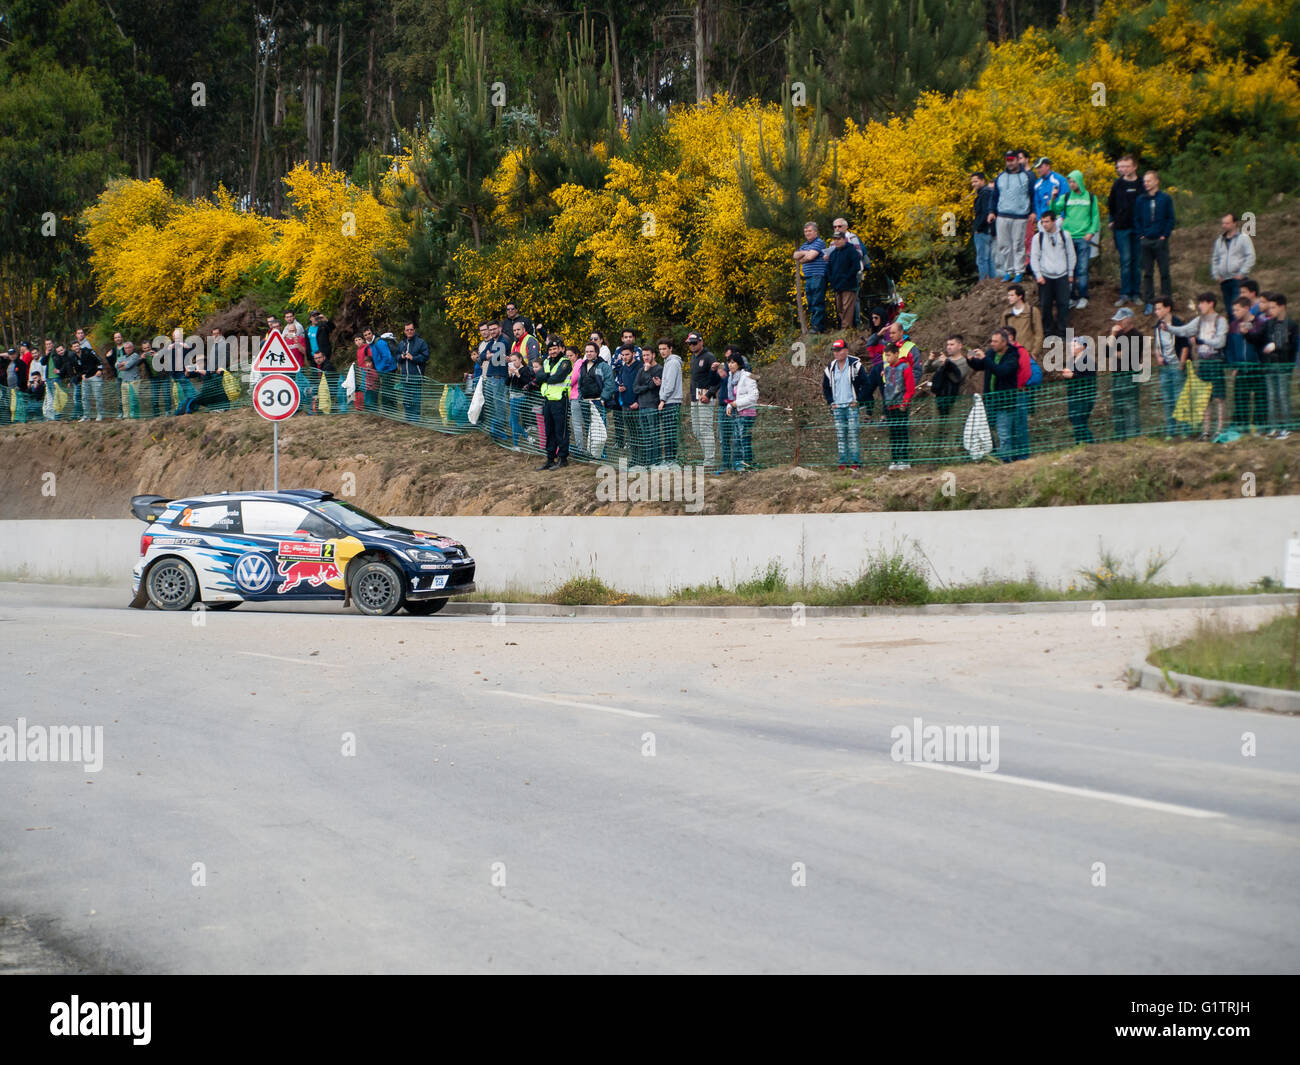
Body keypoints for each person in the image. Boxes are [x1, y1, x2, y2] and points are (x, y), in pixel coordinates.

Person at [1159, 292, 1228, 440]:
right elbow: (1184, 330)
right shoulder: (1199, 320)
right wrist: (1170, 329)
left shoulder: (1220, 321)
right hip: (1203, 361)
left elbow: (1220, 342)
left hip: (1215, 360)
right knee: (1205, 398)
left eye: (1202, 303)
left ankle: (1220, 429)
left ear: (1210, 303)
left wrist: (1202, 341)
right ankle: (1206, 431)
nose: (1199, 306)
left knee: (1219, 398)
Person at [966, 329, 1021, 462]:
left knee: (1004, 433)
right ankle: (996, 458)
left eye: (995, 341)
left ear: (1004, 342)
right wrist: (971, 360)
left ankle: (1006, 460)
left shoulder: (1012, 355)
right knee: (988, 432)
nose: (992, 344)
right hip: (990, 400)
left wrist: (985, 359)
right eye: (991, 341)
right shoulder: (991, 352)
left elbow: (1001, 371)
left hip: (1005, 401)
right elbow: (980, 366)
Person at [822, 338, 869, 470]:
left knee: (853, 436)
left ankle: (855, 463)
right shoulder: (830, 368)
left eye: (839, 350)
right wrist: (831, 402)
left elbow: (867, 384)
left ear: (846, 350)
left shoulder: (856, 366)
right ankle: (842, 463)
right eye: (835, 350)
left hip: (851, 406)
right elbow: (825, 387)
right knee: (841, 437)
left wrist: (858, 400)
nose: (836, 353)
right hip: (837, 408)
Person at [1030, 211, 1076, 341]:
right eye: (1042, 222)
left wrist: (1070, 272)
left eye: (1047, 222)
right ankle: (1048, 332)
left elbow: (1071, 255)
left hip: (1062, 275)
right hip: (1045, 276)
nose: (1044, 225)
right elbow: (1034, 257)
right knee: (1045, 305)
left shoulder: (1064, 235)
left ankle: (1063, 332)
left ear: (1054, 221)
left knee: (1063, 304)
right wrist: (1038, 275)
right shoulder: (1038, 238)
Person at [1135, 170, 1175, 315]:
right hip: (1146, 241)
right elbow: (1137, 219)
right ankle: (1150, 303)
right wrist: (1141, 236)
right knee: (1147, 274)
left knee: (1164, 273)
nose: (1146, 184)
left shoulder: (1165, 198)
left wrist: (1164, 235)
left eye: (1149, 181)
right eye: (1144, 181)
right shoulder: (1140, 200)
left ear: (1156, 181)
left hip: (1161, 241)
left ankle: (1166, 302)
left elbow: (1170, 219)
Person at [1151, 297, 1191, 438]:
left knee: (1180, 398)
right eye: (1156, 309)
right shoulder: (1157, 326)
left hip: (1177, 366)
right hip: (1165, 368)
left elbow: (1185, 345)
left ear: (1168, 308)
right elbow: (1157, 346)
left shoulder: (1178, 324)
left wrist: (1181, 363)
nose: (1157, 311)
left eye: (1160, 308)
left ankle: (1185, 429)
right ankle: (1171, 431)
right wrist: (1158, 357)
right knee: (1168, 400)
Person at [1260, 292, 1297, 438]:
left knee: (1283, 396)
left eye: (1273, 307)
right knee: (1271, 396)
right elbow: (1258, 338)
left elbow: (1292, 346)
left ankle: (1286, 428)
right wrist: (1247, 332)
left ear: (1282, 307)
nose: (1270, 311)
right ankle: (1273, 428)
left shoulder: (1292, 325)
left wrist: (1277, 346)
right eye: (1269, 308)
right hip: (1269, 365)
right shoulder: (1268, 324)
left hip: (1284, 365)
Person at [1107, 154, 1143, 307]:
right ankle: (1124, 293)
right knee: (1125, 261)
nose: (1122, 169)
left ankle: (1136, 293)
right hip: (1122, 228)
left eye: (1126, 166)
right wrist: (1112, 220)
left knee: (1137, 261)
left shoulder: (1142, 184)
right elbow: (1111, 203)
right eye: (1120, 167)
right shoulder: (1117, 184)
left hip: (1139, 228)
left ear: (1134, 167)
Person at [1228, 295, 1266, 433]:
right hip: (1241, 369)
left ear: (1246, 308)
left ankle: (1259, 427)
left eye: (1237, 310)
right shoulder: (1233, 326)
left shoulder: (1259, 323)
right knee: (1240, 399)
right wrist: (1233, 365)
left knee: (1260, 398)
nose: (1234, 313)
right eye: (1233, 310)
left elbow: (1261, 342)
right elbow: (1230, 348)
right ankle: (1242, 427)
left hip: (1256, 367)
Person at [1062, 170, 1100, 309]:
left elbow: (1095, 216)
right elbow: (1054, 210)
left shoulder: (1090, 197)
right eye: (1069, 182)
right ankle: (1071, 297)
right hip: (1068, 238)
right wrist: (1053, 200)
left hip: (1083, 238)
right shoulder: (1066, 197)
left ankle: (1083, 296)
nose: (1071, 184)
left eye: (1073, 181)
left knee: (1083, 268)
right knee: (1069, 269)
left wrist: (1091, 233)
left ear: (1079, 181)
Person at [993, 150, 1033, 281]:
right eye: (1007, 160)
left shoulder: (1027, 176)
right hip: (1003, 215)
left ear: (1017, 160)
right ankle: (1009, 270)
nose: (1010, 163)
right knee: (1004, 244)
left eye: (1012, 160)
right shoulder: (1000, 177)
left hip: (1020, 216)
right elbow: (995, 196)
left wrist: (1032, 211)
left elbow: (1032, 195)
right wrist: (991, 212)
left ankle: (1019, 271)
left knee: (1018, 245)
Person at [922, 336, 969, 445]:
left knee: (953, 430)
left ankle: (951, 456)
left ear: (960, 346)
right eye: (948, 344)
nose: (949, 347)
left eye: (952, 344)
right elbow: (926, 369)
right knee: (935, 429)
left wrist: (947, 364)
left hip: (955, 399)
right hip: (938, 398)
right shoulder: (942, 360)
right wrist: (930, 359)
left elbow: (958, 377)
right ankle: (935, 456)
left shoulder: (964, 362)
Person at [1105, 307, 1143, 440]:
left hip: (1130, 374)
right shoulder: (1118, 335)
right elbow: (1106, 352)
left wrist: (1115, 353)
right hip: (1117, 375)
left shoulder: (1136, 335)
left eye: (1120, 319)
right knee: (1118, 407)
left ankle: (1133, 437)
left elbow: (1129, 355)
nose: (1118, 322)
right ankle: (1120, 437)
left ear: (1129, 319)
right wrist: (1112, 335)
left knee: (1130, 406)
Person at [536, 336, 572, 470]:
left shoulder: (565, 362)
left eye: (555, 349)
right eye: (550, 349)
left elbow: (558, 378)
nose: (552, 351)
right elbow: (538, 377)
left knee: (560, 430)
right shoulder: (546, 362)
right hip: (548, 401)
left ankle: (563, 458)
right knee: (549, 430)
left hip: (560, 400)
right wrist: (548, 376)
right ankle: (550, 458)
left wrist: (547, 377)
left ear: (560, 349)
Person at [1210, 213, 1256, 313]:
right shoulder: (1219, 241)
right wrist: (1216, 275)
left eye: (1227, 223)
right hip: (1224, 280)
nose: (1224, 225)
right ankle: (1232, 327)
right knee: (1229, 308)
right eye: (1223, 223)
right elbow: (1215, 259)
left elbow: (1250, 256)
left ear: (1234, 223)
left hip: (1238, 280)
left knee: (1237, 307)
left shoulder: (1243, 238)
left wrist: (1242, 273)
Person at [686, 331, 719, 470]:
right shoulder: (693, 357)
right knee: (697, 431)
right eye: (690, 343)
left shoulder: (709, 357)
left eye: (694, 343)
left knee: (706, 429)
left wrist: (709, 394)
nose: (692, 346)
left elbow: (718, 379)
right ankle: (708, 457)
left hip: (706, 397)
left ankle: (709, 461)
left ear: (701, 341)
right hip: (695, 397)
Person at [826, 217, 868, 325]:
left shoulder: (852, 237)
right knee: (840, 306)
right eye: (835, 227)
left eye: (840, 226)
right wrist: (832, 278)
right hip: (838, 280)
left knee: (851, 302)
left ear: (846, 226)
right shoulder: (833, 245)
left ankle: (854, 325)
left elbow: (858, 255)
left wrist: (847, 275)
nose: (837, 228)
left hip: (850, 278)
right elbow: (830, 264)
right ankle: (844, 325)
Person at [724, 350, 758, 471]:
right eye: (729, 362)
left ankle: (748, 465)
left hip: (747, 414)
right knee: (738, 440)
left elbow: (754, 396)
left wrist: (735, 404)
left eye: (733, 362)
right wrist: (729, 406)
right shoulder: (731, 379)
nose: (730, 365)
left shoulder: (747, 376)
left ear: (739, 363)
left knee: (744, 441)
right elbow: (732, 396)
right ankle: (741, 465)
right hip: (737, 414)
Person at [1062, 335, 1097, 443]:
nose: (1071, 348)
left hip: (1084, 396)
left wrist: (1072, 376)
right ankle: (1080, 444)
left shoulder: (1088, 360)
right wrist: (1068, 375)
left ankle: (1090, 443)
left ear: (1082, 347)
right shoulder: (1072, 361)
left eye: (1074, 345)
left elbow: (1087, 378)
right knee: (1076, 420)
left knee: (1079, 420)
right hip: (1073, 395)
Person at [794, 221, 828, 333]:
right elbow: (796, 256)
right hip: (808, 277)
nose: (807, 233)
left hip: (818, 275)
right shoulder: (805, 245)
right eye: (805, 231)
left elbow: (810, 256)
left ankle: (817, 328)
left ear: (815, 232)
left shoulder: (819, 242)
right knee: (811, 302)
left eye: (809, 231)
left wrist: (804, 255)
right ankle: (815, 326)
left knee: (818, 301)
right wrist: (805, 254)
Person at [633, 344, 663, 466]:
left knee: (654, 434)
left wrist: (647, 373)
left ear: (653, 355)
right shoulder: (641, 369)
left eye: (647, 355)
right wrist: (646, 384)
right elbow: (635, 388)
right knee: (645, 435)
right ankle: (648, 461)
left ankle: (656, 461)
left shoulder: (659, 369)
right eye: (643, 355)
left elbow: (653, 385)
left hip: (652, 405)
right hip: (642, 405)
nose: (645, 357)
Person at [395, 321, 429, 423]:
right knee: (406, 399)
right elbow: (396, 356)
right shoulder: (402, 343)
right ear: (404, 331)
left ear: (414, 330)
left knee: (415, 398)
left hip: (416, 376)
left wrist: (413, 358)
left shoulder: (421, 342)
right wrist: (401, 357)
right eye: (407, 330)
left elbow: (425, 356)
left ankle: (416, 419)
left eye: (411, 329)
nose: (409, 331)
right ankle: (408, 418)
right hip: (404, 376)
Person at [657, 337, 683, 466]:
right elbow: (668, 382)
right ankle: (668, 459)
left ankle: (670, 460)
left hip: (671, 402)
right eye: (660, 349)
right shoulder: (667, 362)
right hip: (669, 400)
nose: (662, 351)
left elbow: (671, 385)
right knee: (667, 431)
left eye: (664, 349)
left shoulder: (672, 363)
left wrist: (662, 400)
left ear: (670, 349)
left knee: (669, 432)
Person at [611, 344, 640, 455]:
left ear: (633, 354)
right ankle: (634, 458)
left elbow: (642, 386)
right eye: (622, 355)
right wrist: (620, 388)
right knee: (631, 434)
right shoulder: (623, 368)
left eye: (627, 354)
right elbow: (619, 383)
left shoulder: (639, 367)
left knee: (639, 434)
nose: (624, 357)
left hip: (637, 406)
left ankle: (643, 459)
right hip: (625, 406)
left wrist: (638, 402)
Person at [1002, 284, 1043, 358]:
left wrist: (1034, 353)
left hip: (1027, 352)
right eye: (1008, 295)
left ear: (1020, 296)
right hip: (1010, 354)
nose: (1009, 298)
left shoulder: (1032, 311)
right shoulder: (1006, 314)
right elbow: (1002, 335)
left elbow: (1039, 333)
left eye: (1012, 295)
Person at [506, 350, 536, 450]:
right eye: (511, 361)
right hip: (513, 396)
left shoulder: (525, 369)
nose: (513, 363)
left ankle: (516, 445)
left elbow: (526, 383)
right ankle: (528, 437)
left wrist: (518, 374)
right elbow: (507, 383)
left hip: (519, 397)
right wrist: (510, 375)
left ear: (520, 359)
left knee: (514, 421)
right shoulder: (513, 369)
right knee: (511, 421)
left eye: (515, 360)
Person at [971, 172, 998, 281]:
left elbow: (985, 213)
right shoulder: (987, 193)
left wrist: (978, 228)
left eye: (976, 181)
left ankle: (984, 282)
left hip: (983, 231)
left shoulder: (985, 194)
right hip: (988, 230)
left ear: (983, 181)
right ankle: (992, 282)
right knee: (989, 258)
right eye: (972, 182)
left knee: (982, 259)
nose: (973, 184)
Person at [1031, 158, 1068, 227]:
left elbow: (1065, 198)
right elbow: (1037, 202)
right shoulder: (1037, 183)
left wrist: (1063, 217)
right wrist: (1039, 218)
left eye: (1040, 167)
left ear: (1048, 166)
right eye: (1036, 168)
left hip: (1057, 219)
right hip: (1043, 220)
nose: (1038, 170)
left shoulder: (1059, 179)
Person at [114, 340, 144, 419]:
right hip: (124, 381)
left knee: (133, 400)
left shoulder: (135, 355)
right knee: (125, 401)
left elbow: (128, 366)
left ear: (132, 348)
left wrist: (121, 366)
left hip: (133, 381)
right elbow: (116, 365)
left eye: (129, 348)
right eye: (126, 348)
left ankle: (134, 417)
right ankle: (126, 417)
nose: (127, 349)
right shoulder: (123, 357)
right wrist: (122, 364)